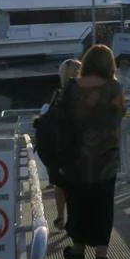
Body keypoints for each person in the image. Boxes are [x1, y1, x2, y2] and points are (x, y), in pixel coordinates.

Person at [62, 44, 126, 259]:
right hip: (106, 157)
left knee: (77, 201)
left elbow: (64, 119)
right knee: (103, 203)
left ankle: (77, 249)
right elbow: (120, 117)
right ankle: (101, 254)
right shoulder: (115, 88)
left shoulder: (71, 87)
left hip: (76, 157)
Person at [41, 58, 82, 229]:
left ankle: (60, 217)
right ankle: (76, 218)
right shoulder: (81, 94)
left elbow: (44, 116)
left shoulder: (56, 94)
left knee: (60, 184)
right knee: (76, 186)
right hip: (76, 148)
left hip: (57, 149)